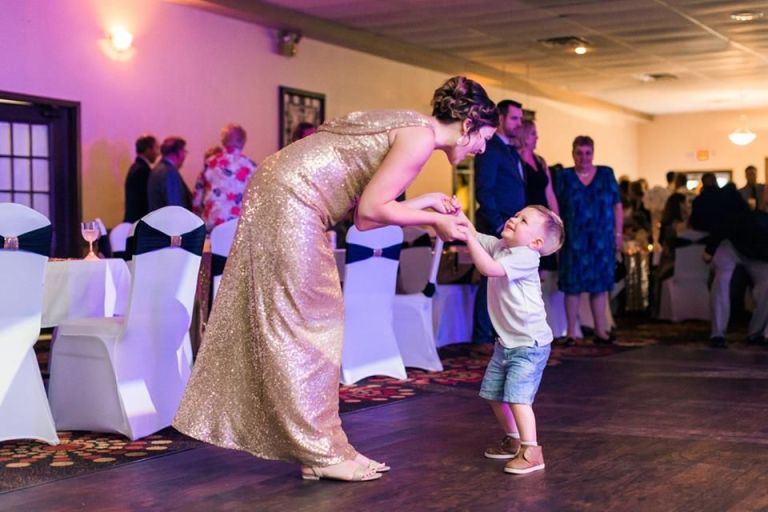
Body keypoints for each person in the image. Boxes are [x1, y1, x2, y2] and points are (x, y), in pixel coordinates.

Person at [173, 76, 499, 482]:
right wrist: (435, 221)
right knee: (314, 321)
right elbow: (373, 209)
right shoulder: (419, 139)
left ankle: (323, 448)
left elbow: (365, 216)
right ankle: (321, 452)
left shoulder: (411, 125)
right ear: (468, 124)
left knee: (317, 318)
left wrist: (426, 205)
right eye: (485, 137)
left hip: (282, 190)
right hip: (292, 199)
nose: (483, 149)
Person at [459, 205, 564, 475]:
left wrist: (470, 240)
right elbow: (473, 233)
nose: (513, 218)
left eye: (523, 220)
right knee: (494, 394)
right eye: (515, 214)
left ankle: (532, 452)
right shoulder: (502, 247)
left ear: (536, 242)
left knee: (518, 398)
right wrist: (458, 215)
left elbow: (489, 268)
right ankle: (513, 438)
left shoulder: (526, 256)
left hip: (529, 345)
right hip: (506, 343)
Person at [555, 135, 623, 345]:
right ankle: (571, 333)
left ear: (593, 153)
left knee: (599, 286)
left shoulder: (606, 173)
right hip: (573, 239)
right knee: (572, 287)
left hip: (601, 240)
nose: (584, 157)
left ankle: (600, 331)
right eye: (579, 153)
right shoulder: (564, 176)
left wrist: (618, 234)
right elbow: (555, 207)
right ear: (572, 153)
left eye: (588, 153)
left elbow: (617, 205)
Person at [472, 99, 526, 347]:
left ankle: (496, 335)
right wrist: (497, 225)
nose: (519, 124)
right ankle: (482, 338)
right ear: (501, 119)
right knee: (490, 280)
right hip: (497, 224)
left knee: (501, 281)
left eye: (520, 119)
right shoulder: (490, 147)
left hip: (510, 225)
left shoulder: (509, 149)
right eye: (514, 118)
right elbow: (484, 190)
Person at [704, 209, 768, 348]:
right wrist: (710, 249)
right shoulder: (746, 215)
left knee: (767, 286)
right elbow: (725, 224)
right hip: (732, 244)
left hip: (759, 255)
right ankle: (717, 334)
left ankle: (757, 333)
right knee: (722, 279)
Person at [193, 124, 258, 232]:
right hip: (237, 224)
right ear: (242, 141)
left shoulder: (211, 162)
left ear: (223, 141)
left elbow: (197, 194)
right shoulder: (250, 166)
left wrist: (197, 217)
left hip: (212, 221)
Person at [516, 119, 559, 272]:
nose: (537, 137)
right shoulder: (516, 159)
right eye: (534, 133)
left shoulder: (540, 161)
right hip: (528, 217)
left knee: (543, 270)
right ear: (525, 135)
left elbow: (550, 193)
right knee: (527, 265)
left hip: (543, 218)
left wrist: (556, 220)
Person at [147, 136, 193, 211]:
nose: (184, 156)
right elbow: (175, 207)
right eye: (184, 151)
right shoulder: (169, 172)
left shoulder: (156, 169)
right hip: (169, 221)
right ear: (179, 152)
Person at [123, 134, 158, 223]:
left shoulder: (135, 167)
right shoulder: (143, 170)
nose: (158, 153)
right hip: (140, 222)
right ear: (148, 150)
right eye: (156, 148)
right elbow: (145, 200)